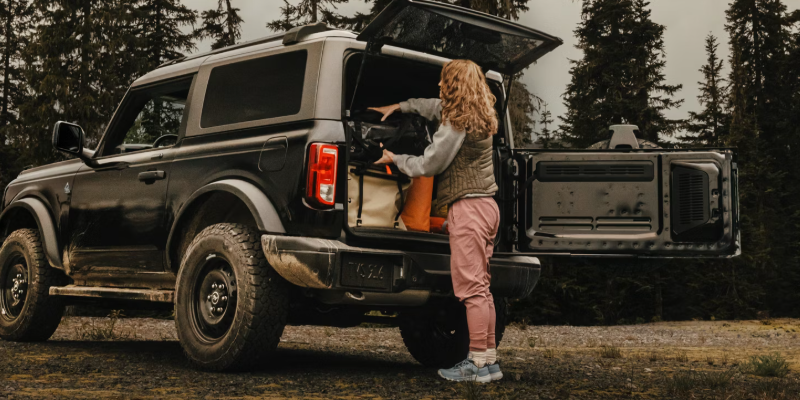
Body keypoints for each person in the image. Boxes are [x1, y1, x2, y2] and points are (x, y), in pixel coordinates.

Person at [368, 59, 501, 383]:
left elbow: (430, 163)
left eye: (445, 82)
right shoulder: (479, 114)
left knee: (471, 291)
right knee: (482, 291)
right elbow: (433, 106)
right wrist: (401, 105)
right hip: (487, 207)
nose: (440, 87)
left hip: (468, 210)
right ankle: (489, 362)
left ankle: (477, 365)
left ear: (455, 85)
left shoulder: (456, 124)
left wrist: (395, 159)